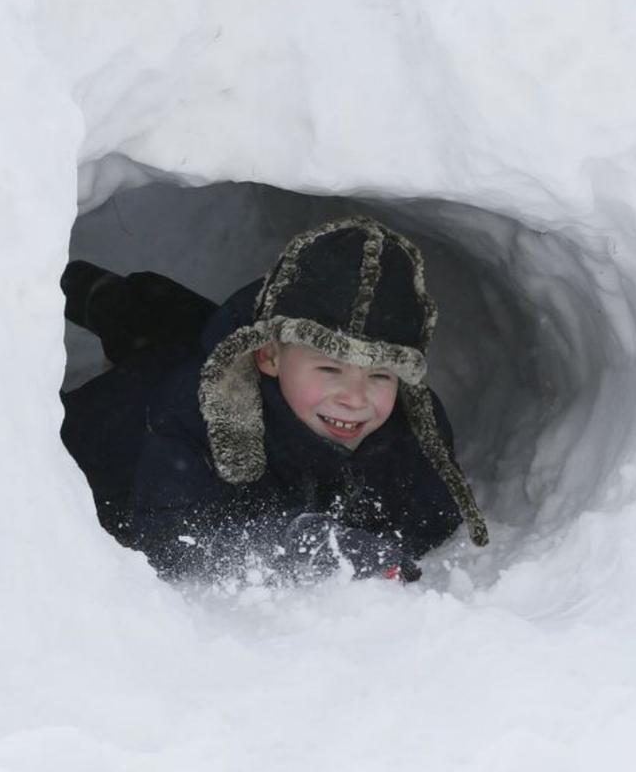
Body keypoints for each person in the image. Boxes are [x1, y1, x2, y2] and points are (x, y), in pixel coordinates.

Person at [60, 216, 489, 584]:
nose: (356, 397)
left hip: (235, 350)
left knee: (193, 328)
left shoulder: (413, 420)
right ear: (268, 356)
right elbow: (169, 536)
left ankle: (121, 304)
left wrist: (371, 544)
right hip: (130, 422)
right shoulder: (195, 414)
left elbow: (432, 513)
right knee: (156, 350)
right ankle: (92, 293)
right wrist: (290, 544)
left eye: (380, 374)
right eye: (330, 369)